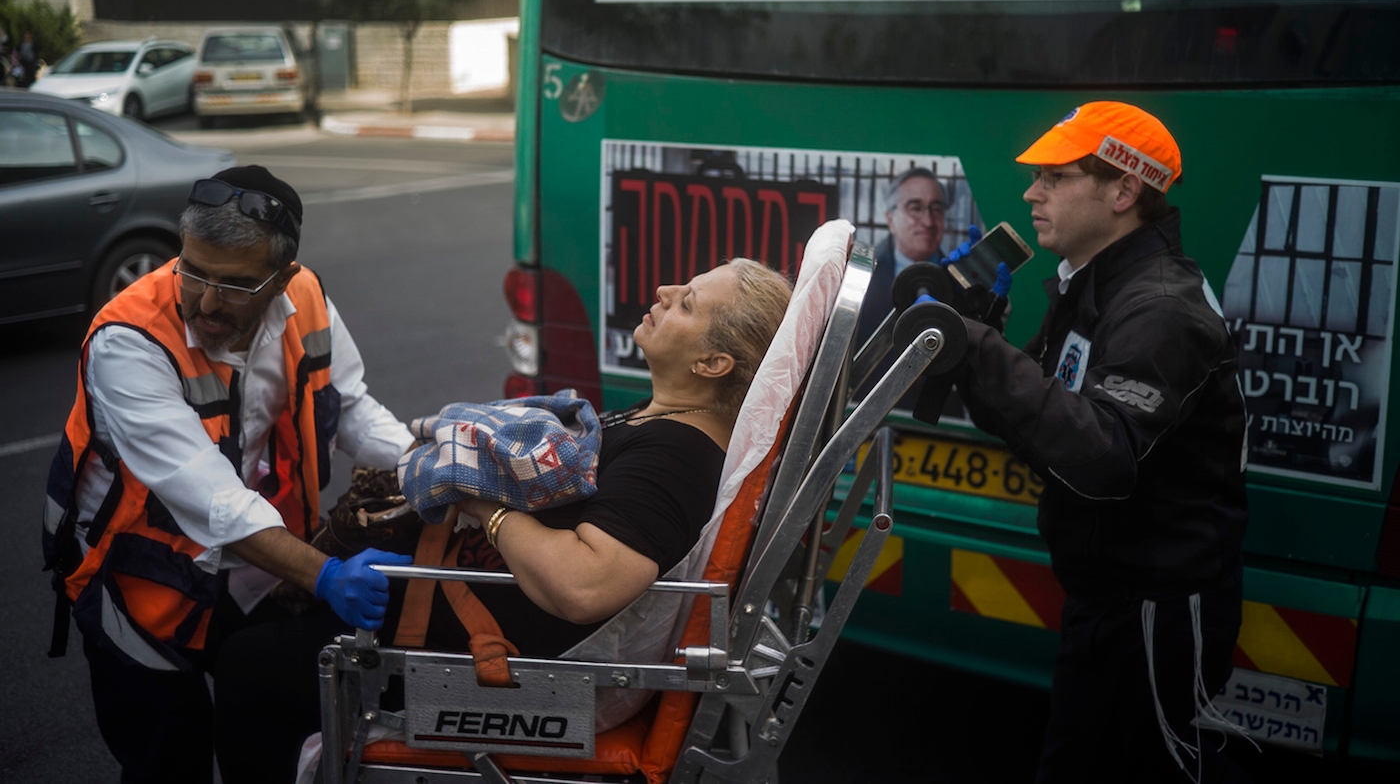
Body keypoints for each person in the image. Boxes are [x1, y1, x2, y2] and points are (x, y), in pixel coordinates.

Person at [213, 258, 794, 784]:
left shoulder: (675, 456)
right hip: (454, 607)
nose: (665, 290)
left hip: (476, 655)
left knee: (244, 661)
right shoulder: (670, 430)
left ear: (713, 363)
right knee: (257, 626)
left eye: (688, 301)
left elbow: (584, 584)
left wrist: (479, 503)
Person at [42, 165, 416, 784]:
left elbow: (349, 407)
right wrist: (323, 574)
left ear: (283, 277)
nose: (208, 302)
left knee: (272, 715)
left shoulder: (308, 298)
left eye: (236, 285)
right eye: (194, 272)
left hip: (250, 569)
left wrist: (427, 469)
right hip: (137, 586)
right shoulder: (129, 338)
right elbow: (211, 498)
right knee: (168, 759)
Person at [952, 102, 1249, 783]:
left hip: (1153, 607)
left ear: (1123, 191)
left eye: (1055, 177)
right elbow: (1039, 426)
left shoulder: (1161, 308)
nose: (1031, 192)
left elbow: (1102, 455)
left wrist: (982, 353)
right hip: (1110, 597)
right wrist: (971, 347)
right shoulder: (1091, 285)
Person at [855, 167, 950, 343]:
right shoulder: (865, 282)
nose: (928, 221)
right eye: (915, 208)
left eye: (936, 209)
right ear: (891, 220)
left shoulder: (960, 282)